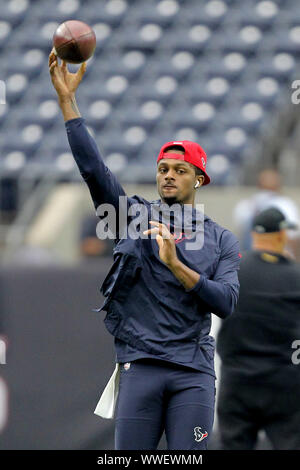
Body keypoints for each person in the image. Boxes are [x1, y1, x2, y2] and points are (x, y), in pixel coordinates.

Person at [48, 49, 241, 450]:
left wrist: (176, 264)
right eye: (163, 169)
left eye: (180, 170)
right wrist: (68, 103)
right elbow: (93, 170)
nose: (168, 176)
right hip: (141, 366)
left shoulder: (221, 238)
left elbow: (225, 302)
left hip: (193, 371)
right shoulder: (133, 216)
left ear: (199, 179)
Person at [216, 207, 300, 450]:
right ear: (281, 234)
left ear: (253, 234)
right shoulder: (295, 275)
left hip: (237, 381)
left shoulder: (231, 270)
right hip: (284, 383)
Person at [233, 168, 300, 259]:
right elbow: (293, 236)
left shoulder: (245, 205)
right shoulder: (246, 205)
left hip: (254, 259)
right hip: (276, 259)